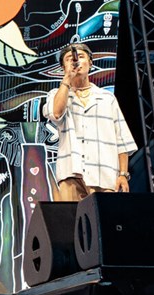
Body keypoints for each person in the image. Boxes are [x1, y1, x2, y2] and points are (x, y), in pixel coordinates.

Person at [43, 43, 137, 201]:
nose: (75, 62)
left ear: (90, 62)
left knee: (103, 223)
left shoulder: (107, 98)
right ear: (62, 67)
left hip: (105, 174)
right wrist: (67, 79)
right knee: (72, 223)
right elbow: (56, 113)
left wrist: (123, 174)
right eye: (69, 59)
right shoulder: (56, 95)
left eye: (80, 57)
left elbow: (122, 139)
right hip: (71, 173)